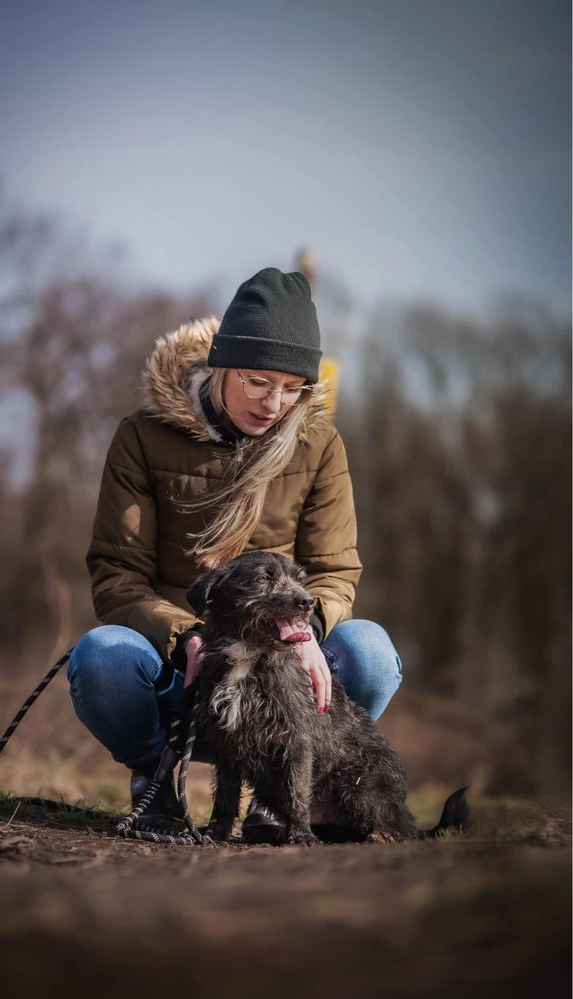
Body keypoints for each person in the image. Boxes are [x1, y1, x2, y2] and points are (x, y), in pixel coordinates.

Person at [67, 267, 402, 841]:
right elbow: (118, 575)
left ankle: (288, 795)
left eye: (294, 385)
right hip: (182, 670)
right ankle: (158, 785)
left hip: (287, 681)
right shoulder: (143, 437)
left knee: (368, 651)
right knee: (102, 657)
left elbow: (334, 571)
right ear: (221, 364)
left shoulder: (319, 445)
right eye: (257, 380)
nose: (275, 402)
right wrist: (185, 636)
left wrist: (304, 632)